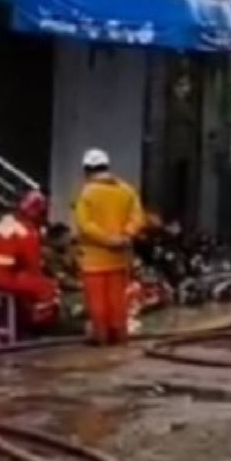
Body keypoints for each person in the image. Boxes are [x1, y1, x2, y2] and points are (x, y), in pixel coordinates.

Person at [73, 148, 145, 346]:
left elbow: (85, 225)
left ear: (86, 170)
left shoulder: (86, 193)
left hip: (94, 259)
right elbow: (138, 218)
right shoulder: (127, 190)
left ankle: (101, 338)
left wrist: (107, 239)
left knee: (98, 302)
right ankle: (119, 337)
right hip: (120, 258)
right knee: (117, 301)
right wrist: (125, 236)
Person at [0, 190, 60, 333]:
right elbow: (33, 266)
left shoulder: (6, 221)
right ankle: (36, 328)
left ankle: (23, 324)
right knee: (47, 288)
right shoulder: (26, 232)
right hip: (4, 278)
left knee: (32, 287)